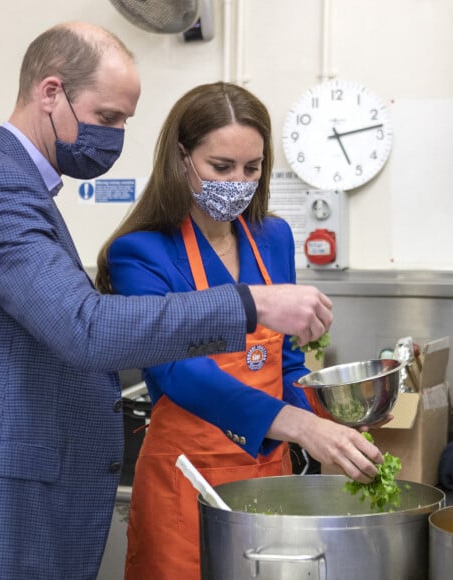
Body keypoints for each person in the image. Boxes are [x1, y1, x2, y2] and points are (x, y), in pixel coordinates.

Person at [0, 22, 336, 580]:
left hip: (26, 489)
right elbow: (86, 328)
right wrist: (249, 304)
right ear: (51, 93)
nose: (116, 136)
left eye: (125, 120)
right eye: (107, 118)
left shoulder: (18, 186)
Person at [95, 81, 385, 579]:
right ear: (181, 158)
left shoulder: (272, 238)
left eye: (252, 168)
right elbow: (178, 375)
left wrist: (335, 418)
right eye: (221, 167)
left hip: (268, 478)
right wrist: (301, 426)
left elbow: (285, 364)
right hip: (185, 483)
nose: (239, 181)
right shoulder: (141, 253)